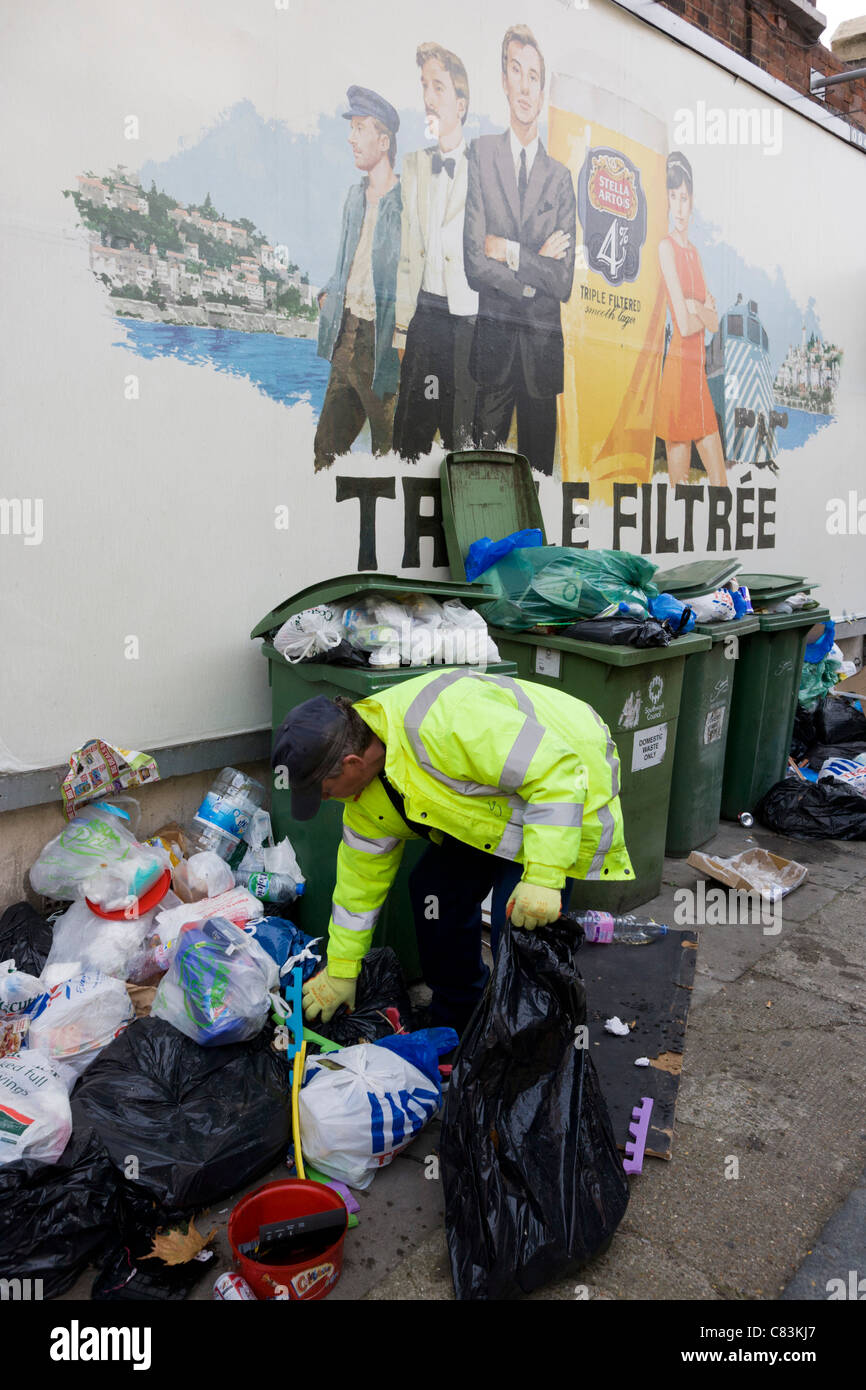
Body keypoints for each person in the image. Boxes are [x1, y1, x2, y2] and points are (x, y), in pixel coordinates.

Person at [272, 669, 633, 1034]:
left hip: (567, 772)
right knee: (434, 892)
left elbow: (556, 775)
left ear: (352, 764)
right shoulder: (365, 795)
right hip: (494, 802)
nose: (327, 800)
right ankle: (459, 1017)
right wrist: (341, 968)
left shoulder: (446, 724)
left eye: (325, 790)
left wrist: (543, 876)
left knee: (522, 925)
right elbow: (359, 883)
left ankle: (527, 1044)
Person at [463, 24, 576, 476]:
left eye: (534, 76)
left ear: (542, 88)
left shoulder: (560, 178)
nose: (525, 86)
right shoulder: (481, 154)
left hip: (542, 358)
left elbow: (563, 281)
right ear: (504, 80)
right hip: (493, 350)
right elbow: (474, 262)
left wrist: (509, 251)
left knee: (538, 490)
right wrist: (534, 274)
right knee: (480, 480)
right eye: (517, 71)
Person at [392, 42, 478, 461]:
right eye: (425, 86)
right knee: (412, 435)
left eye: (439, 87)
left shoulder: (483, 168)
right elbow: (407, 255)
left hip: (467, 324)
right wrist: (402, 330)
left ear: (460, 104)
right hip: (424, 318)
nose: (429, 97)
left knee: (463, 437)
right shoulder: (412, 166)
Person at [314, 87, 402, 471]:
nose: (351, 137)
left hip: (381, 344)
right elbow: (346, 263)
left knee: (391, 455)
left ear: (383, 141)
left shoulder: (405, 204)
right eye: (352, 127)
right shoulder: (353, 197)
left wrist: (402, 337)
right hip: (346, 334)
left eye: (360, 127)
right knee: (326, 452)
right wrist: (327, 295)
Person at [656, 151, 727, 487]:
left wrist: (696, 308)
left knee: (720, 483)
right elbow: (683, 326)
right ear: (667, 201)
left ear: (692, 200)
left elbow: (714, 323)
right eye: (673, 197)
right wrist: (701, 310)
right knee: (679, 490)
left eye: (684, 198)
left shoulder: (695, 253)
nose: (679, 207)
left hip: (697, 378)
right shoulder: (665, 248)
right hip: (679, 375)